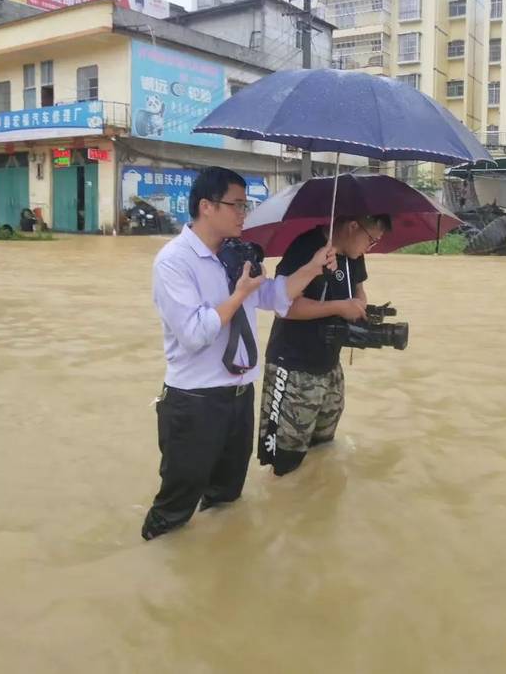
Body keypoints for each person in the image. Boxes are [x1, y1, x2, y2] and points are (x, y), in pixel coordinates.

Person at [141, 167, 336, 541]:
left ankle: (220, 573)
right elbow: (195, 334)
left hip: (239, 396)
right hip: (195, 401)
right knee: (175, 509)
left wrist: (313, 266)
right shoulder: (173, 261)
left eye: (246, 205)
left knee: (227, 499)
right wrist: (239, 294)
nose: (244, 213)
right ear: (207, 206)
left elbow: (276, 295)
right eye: (237, 205)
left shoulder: (239, 255)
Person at [258, 214, 391, 476]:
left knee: (322, 449)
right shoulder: (305, 248)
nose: (369, 247)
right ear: (353, 225)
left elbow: (359, 292)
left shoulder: (354, 256)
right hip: (294, 366)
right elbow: (285, 309)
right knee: (287, 459)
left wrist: (360, 307)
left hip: (329, 365)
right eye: (371, 240)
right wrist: (340, 307)